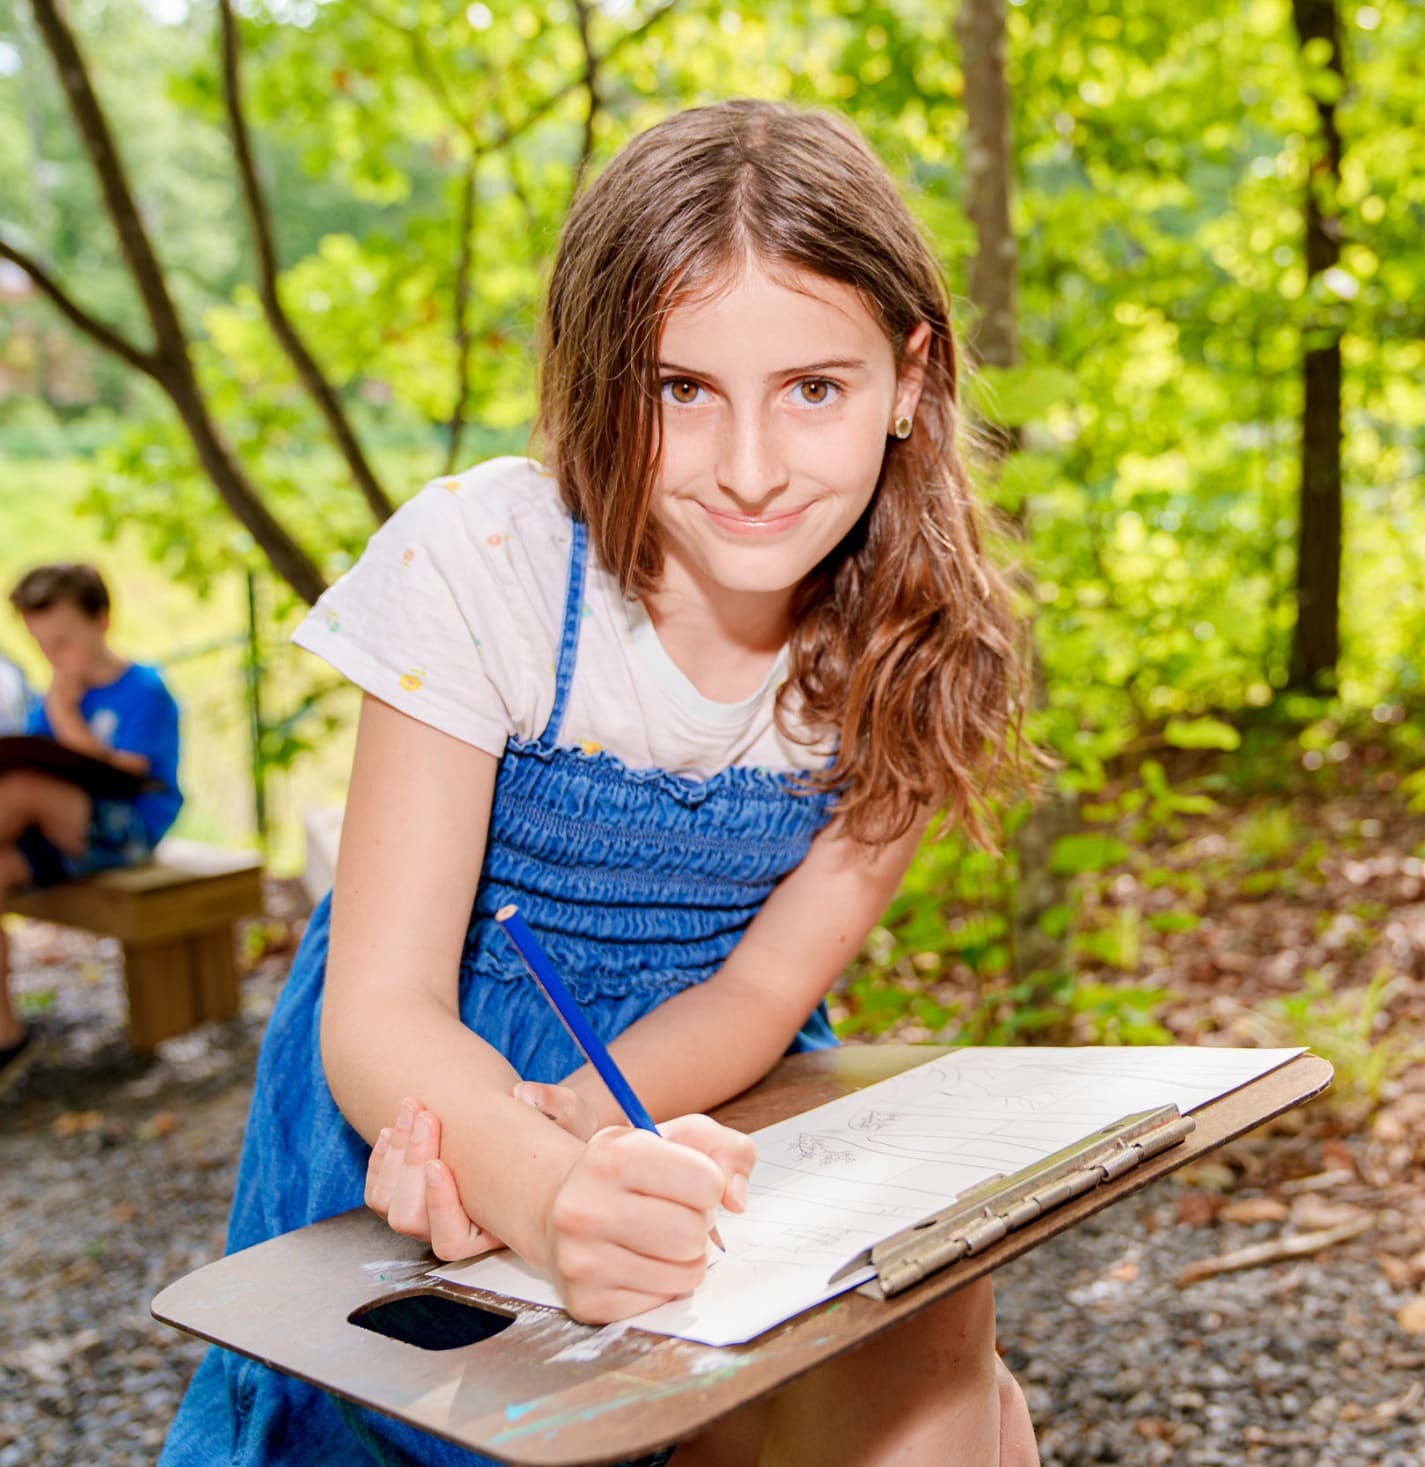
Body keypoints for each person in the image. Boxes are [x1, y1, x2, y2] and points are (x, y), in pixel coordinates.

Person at [161, 100, 1041, 1467]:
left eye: (815, 387)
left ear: (911, 376)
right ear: (594, 383)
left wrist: (593, 1109)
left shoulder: (921, 654)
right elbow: (381, 1005)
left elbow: (760, 989)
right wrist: (543, 1171)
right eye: (679, 389)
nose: (751, 468)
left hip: (698, 1085)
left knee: (944, 1376)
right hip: (429, 1107)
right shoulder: (486, 563)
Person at [0, 564, 184, 1091]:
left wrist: (63, 708)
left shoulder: (143, 689)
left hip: (127, 828)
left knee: (23, 792)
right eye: (41, 646)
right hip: (58, 834)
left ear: (101, 620)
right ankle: (7, 1037)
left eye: (62, 642)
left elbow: (128, 776)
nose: (53, 658)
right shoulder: (53, 693)